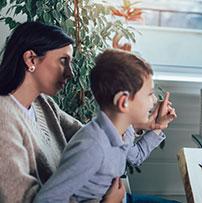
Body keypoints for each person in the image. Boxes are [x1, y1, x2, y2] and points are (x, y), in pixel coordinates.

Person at [0, 22, 174, 203]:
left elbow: (99, 137)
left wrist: (142, 123)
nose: (71, 73)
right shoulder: (4, 121)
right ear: (31, 60)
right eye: (63, 61)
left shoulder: (42, 103)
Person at [33, 49, 178, 203]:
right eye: (149, 94)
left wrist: (157, 126)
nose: (154, 100)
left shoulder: (123, 131)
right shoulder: (92, 148)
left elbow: (136, 157)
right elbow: (46, 200)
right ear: (123, 102)